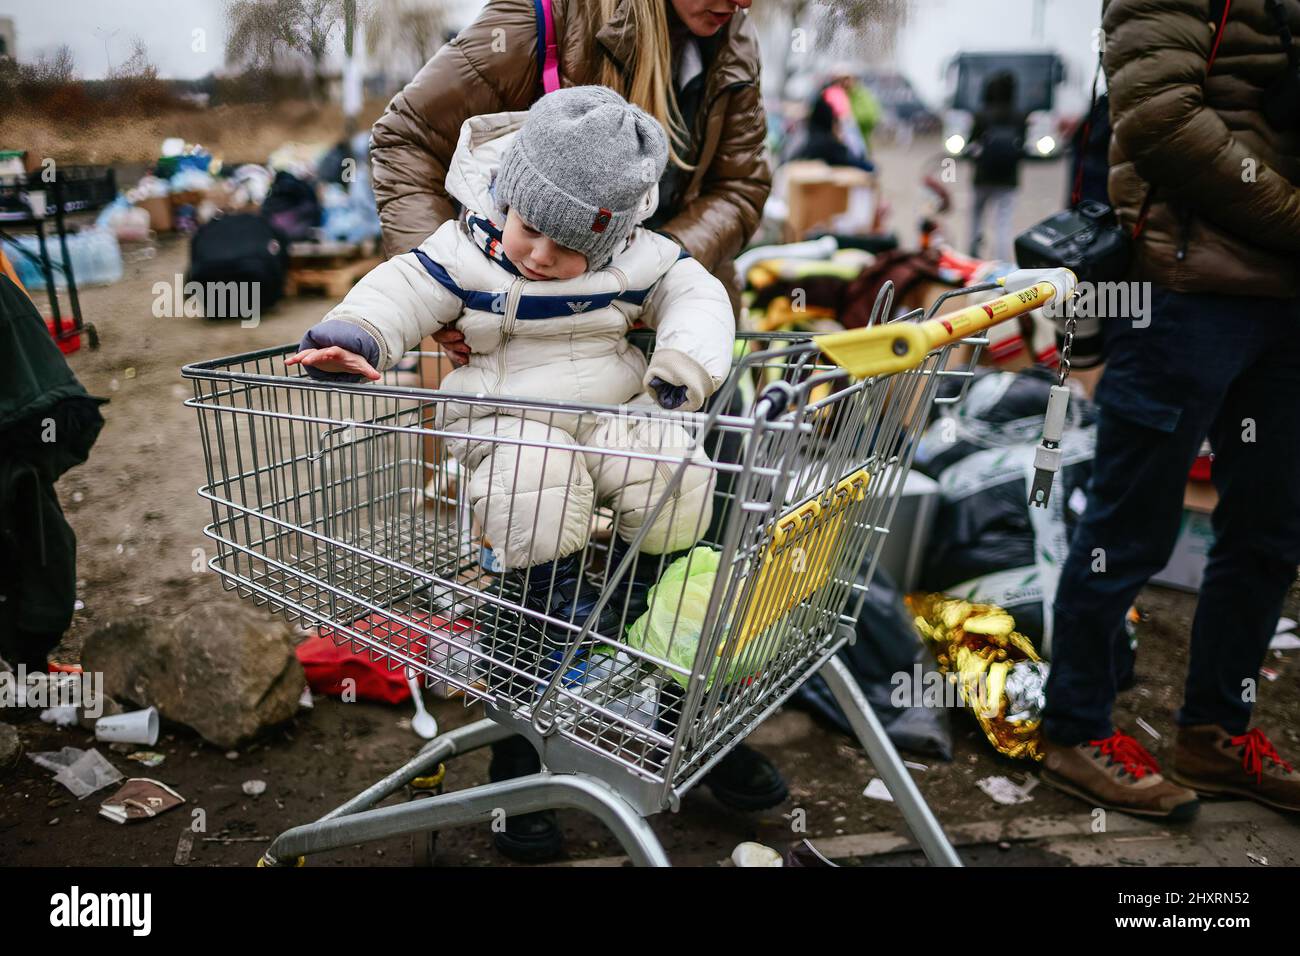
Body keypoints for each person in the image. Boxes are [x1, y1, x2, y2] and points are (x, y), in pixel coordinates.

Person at [292, 87, 769, 861]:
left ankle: (656, 680)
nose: (541, 254)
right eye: (530, 226)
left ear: (615, 237)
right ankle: (524, 748)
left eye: (570, 242)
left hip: (609, 412)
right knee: (537, 489)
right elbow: (400, 288)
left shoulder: (638, 255)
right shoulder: (465, 248)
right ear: (507, 195)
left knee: (674, 471)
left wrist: (683, 364)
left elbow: (696, 290)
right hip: (503, 419)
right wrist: (357, 335)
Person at [1039, 0, 1300, 819]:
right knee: (1130, 525)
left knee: (1271, 530)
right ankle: (1075, 729)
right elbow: (1160, 114)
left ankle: (1215, 733)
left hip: (1285, 301)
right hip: (1179, 293)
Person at [370, 0, 770, 322]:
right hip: (534, 334)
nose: (744, 2)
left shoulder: (735, 42)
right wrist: (435, 288)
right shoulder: (541, 18)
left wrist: (654, 270)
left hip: (677, 326)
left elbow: (739, 186)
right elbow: (408, 136)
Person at [966, 71, 1026, 261]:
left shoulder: (981, 114)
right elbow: (1022, 147)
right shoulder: (1019, 115)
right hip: (1008, 178)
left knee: (976, 217)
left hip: (983, 177)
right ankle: (1001, 260)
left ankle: (973, 254)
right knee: (1003, 222)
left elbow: (971, 144)